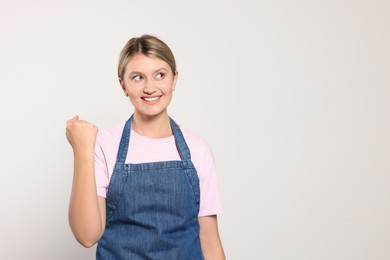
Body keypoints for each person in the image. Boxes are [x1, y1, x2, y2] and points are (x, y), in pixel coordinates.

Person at [65, 34, 225, 259]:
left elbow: (210, 246)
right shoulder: (105, 145)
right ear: (123, 84)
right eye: (138, 77)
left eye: (160, 75)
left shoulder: (198, 149)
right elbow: (87, 235)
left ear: (174, 79)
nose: (150, 87)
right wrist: (82, 150)